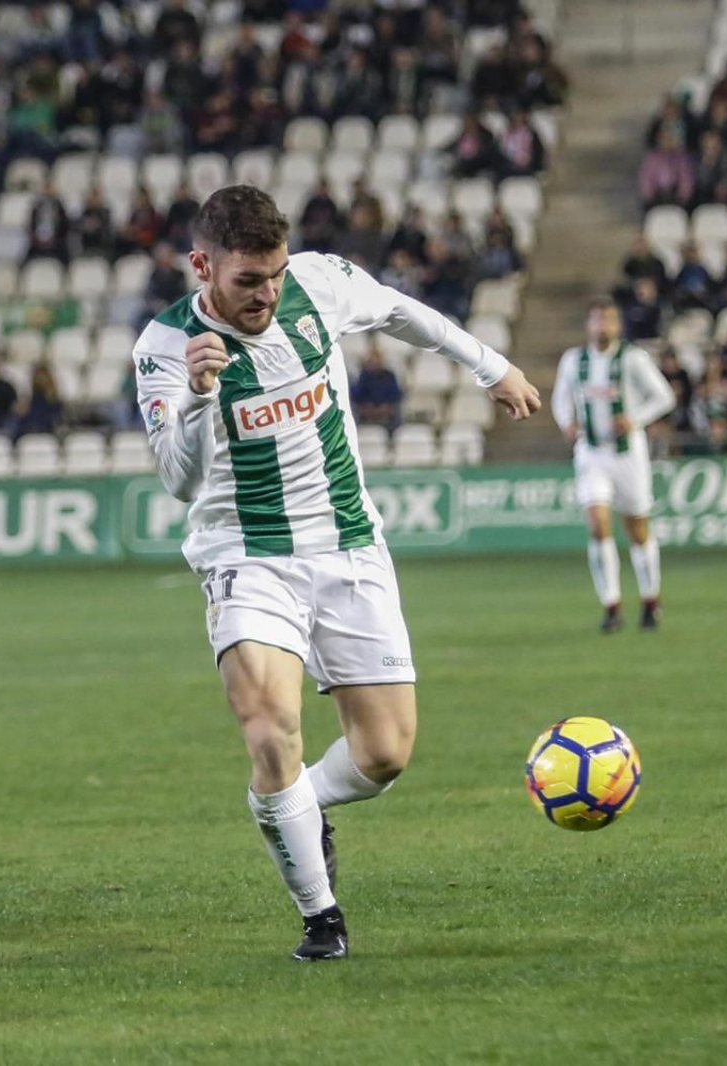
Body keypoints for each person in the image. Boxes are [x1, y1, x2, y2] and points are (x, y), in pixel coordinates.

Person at [132, 185, 540, 961]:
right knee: (269, 725)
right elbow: (180, 481)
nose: (267, 293)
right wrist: (196, 396)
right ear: (202, 267)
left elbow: (397, 309)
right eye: (248, 281)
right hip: (246, 558)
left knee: (384, 754)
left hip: (349, 544)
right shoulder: (164, 348)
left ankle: (303, 804)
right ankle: (322, 916)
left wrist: (491, 367)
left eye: (274, 275)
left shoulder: (316, 282)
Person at [550, 300, 677, 634]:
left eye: (608, 320)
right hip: (591, 453)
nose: (602, 326)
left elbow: (664, 396)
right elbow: (561, 398)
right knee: (597, 522)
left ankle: (650, 599)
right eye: (597, 320)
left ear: (618, 326)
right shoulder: (573, 361)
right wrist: (567, 422)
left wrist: (635, 419)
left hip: (627, 454)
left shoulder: (632, 359)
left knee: (637, 528)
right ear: (589, 325)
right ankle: (611, 605)